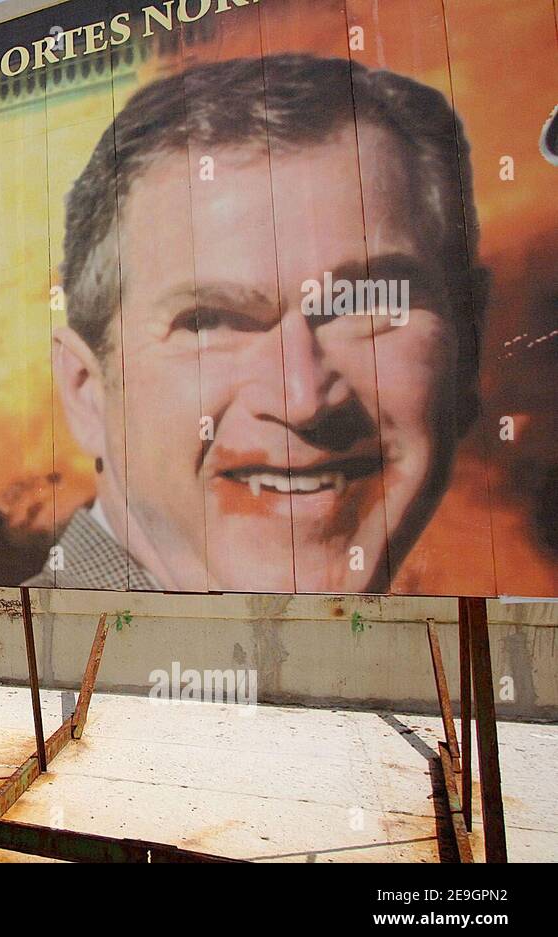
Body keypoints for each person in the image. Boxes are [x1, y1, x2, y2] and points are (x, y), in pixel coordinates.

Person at [27, 53, 486, 593]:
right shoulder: (10, 674)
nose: (303, 398)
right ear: (86, 392)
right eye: (209, 322)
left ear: (470, 342)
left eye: (367, 303)